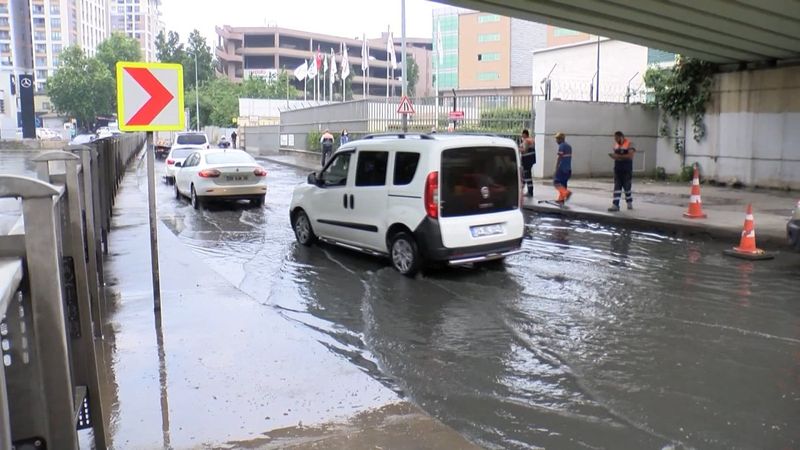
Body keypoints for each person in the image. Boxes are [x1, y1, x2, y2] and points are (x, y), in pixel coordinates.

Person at [608, 130, 636, 211]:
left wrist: (618, 156)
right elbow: (617, 155)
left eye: (617, 138)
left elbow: (630, 156)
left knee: (627, 187)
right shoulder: (616, 145)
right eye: (615, 139)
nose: (616, 140)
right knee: (617, 188)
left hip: (626, 169)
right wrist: (614, 156)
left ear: (621, 137)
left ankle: (629, 202)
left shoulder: (630, 144)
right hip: (618, 169)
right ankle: (615, 205)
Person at [553, 132, 572, 205]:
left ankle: (566, 193)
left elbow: (559, 157)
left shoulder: (562, 146)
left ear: (561, 139)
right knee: (563, 184)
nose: (556, 141)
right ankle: (561, 199)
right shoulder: (569, 146)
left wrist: (556, 167)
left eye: (557, 139)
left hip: (562, 168)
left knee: (556, 182)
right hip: (568, 168)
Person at [519, 129, 536, 197]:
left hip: (526, 160)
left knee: (527, 176)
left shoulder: (526, 140)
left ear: (525, 134)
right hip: (530, 160)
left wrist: (518, 148)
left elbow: (524, 150)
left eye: (522, 134)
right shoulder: (531, 140)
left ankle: (530, 192)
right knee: (525, 176)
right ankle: (522, 190)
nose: (521, 135)